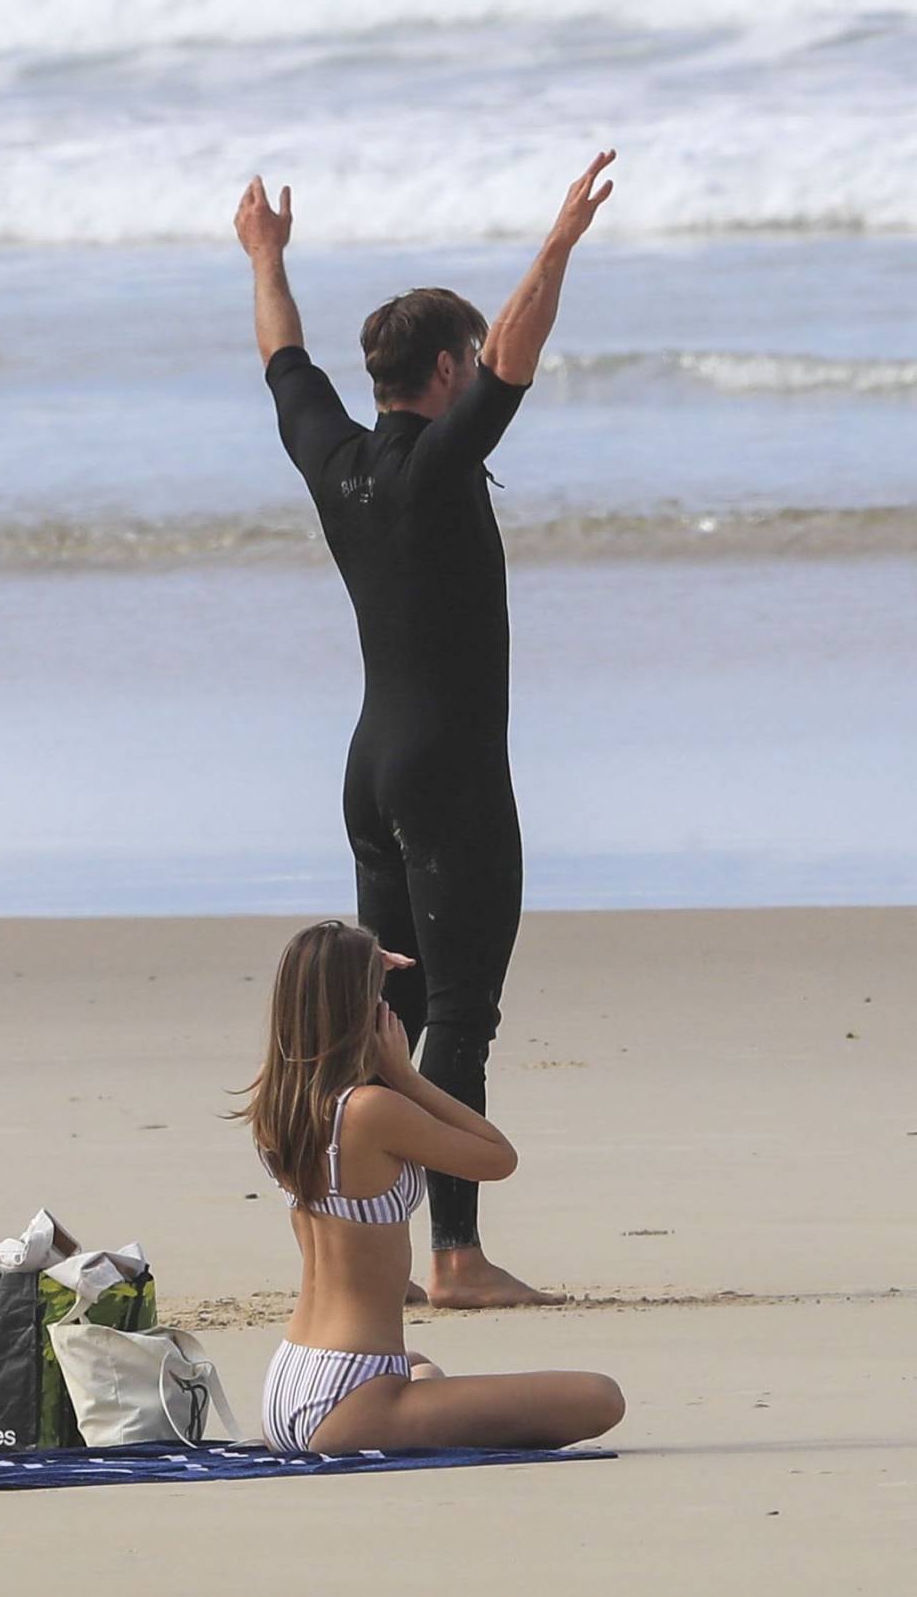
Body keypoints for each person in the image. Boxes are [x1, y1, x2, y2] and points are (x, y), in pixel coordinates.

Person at [233, 152, 616, 1308]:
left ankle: (363, 1253)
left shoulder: (335, 459)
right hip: (448, 774)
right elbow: (517, 352)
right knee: (456, 1016)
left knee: (379, 1022)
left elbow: (279, 359)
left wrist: (263, 254)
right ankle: (454, 1255)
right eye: (467, 367)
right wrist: (556, 245)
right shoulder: (442, 466)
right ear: (442, 372)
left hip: (369, 771)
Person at [236, 919, 623, 1455]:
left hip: (290, 1384)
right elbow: (497, 1157)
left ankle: (418, 1407)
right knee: (600, 1397)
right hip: (351, 1398)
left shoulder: (281, 1108)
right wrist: (407, 1076)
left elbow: (314, 984)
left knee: (420, 1366)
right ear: (363, 1012)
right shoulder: (373, 1111)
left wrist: (363, 960)